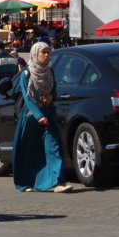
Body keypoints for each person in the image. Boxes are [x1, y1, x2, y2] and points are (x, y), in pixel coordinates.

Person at [13, 43, 73, 193]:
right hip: (31, 115)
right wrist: (38, 115)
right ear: (35, 54)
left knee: (53, 146)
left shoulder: (49, 72)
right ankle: (26, 182)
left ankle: (58, 182)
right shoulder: (26, 73)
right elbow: (27, 97)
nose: (47, 55)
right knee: (29, 149)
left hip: (48, 113)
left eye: (48, 52)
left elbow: (54, 90)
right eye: (43, 52)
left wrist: (51, 97)